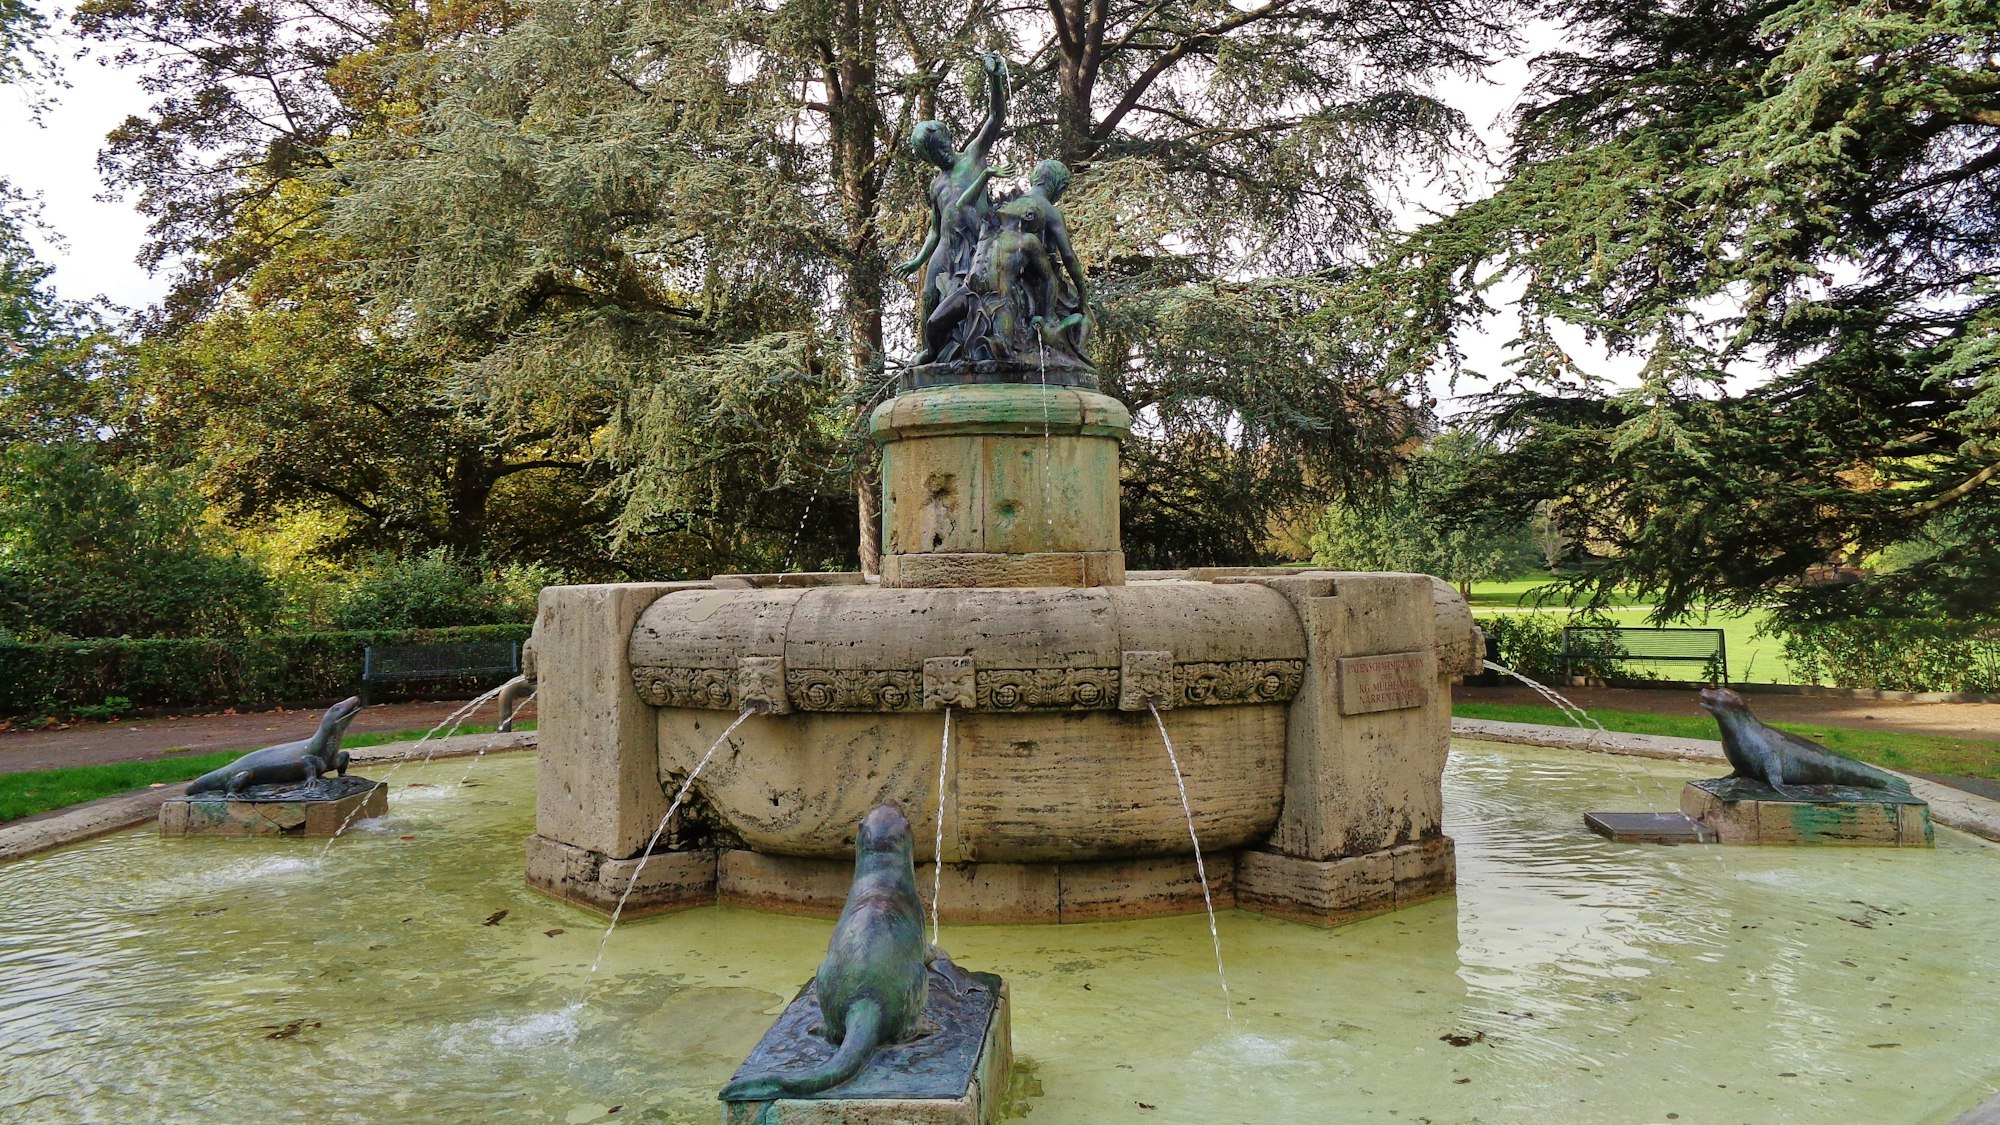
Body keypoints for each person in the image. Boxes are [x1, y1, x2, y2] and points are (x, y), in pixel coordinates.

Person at [894, 53, 1009, 363]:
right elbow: (935, 228)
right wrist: (918, 260)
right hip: (946, 247)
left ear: (947, 139)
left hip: (977, 241)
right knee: (929, 296)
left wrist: (995, 79)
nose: (940, 156)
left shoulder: (973, 157)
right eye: (932, 155)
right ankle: (930, 351)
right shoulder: (936, 185)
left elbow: (996, 117)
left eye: (940, 148)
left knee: (976, 297)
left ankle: (983, 346)